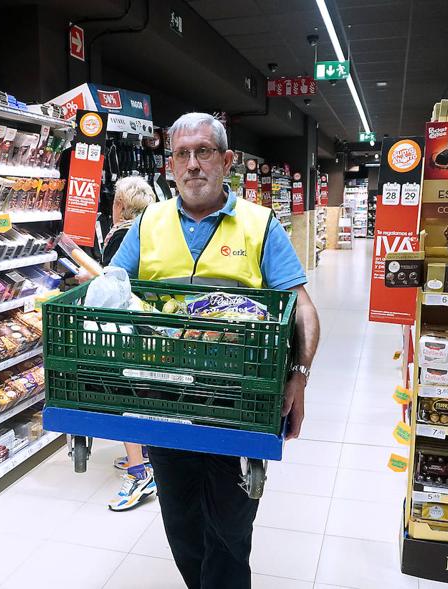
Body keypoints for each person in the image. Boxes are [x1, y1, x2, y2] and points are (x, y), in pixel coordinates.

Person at [109, 112, 321, 589]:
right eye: (182, 154)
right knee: (180, 522)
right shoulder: (148, 223)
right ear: (170, 165)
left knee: (228, 529)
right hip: (162, 395)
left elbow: (302, 307)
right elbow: (114, 288)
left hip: (238, 397)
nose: (193, 165)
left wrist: (299, 377)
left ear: (227, 161)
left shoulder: (260, 224)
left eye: (203, 152)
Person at [102, 176, 158, 512]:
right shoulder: (154, 233)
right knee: (146, 390)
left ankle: (140, 472)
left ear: (121, 206)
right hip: (151, 325)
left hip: (128, 328)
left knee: (126, 393)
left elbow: (113, 282)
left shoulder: (121, 236)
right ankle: (146, 454)